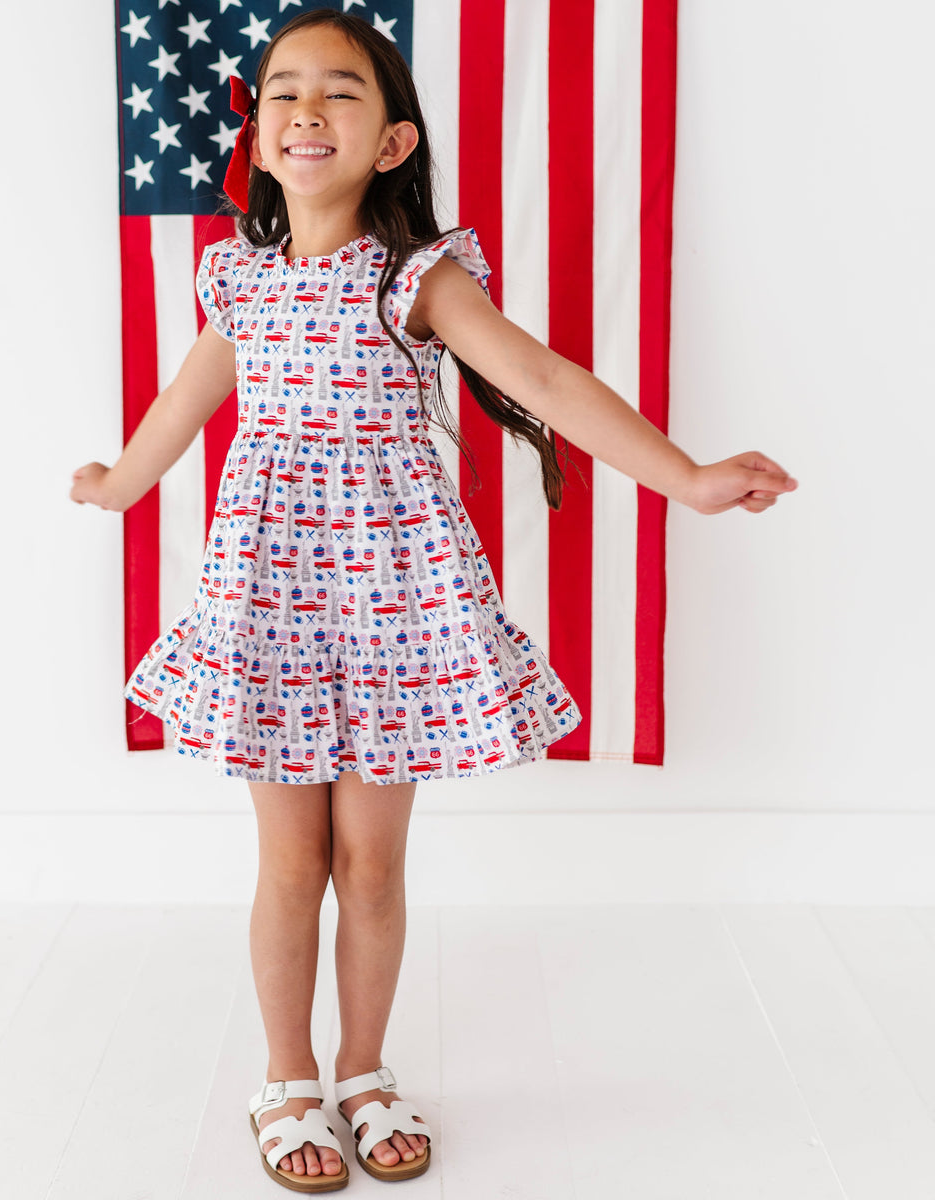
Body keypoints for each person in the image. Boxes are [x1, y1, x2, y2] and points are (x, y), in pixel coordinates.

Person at [70, 9, 798, 1191]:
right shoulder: (240, 280)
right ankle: (287, 1075)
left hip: (396, 607)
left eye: (342, 92)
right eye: (284, 91)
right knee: (290, 862)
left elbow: (548, 376)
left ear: (394, 141)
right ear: (255, 138)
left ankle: (362, 1068)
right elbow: (182, 405)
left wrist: (690, 478)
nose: (307, 109)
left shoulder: (414, 277)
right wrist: (117, 483)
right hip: (272, 604)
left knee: (371, 863)